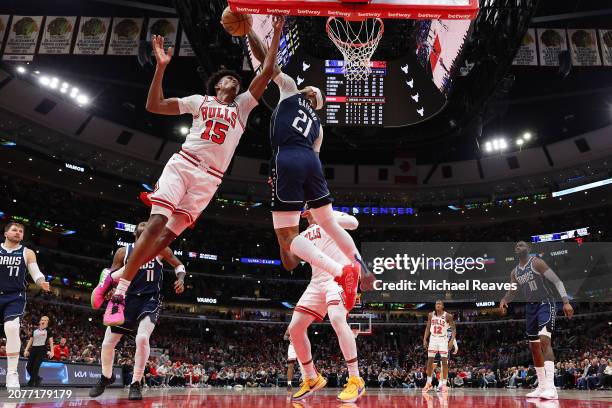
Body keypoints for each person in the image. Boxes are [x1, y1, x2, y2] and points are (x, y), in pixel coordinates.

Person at [96, 16, 285, 327]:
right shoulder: (199, 101)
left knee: (163, 241)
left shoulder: (242, 107)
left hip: (209, 180)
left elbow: (266, 71)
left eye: (236, 80)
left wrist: (273, 34)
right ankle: (120, 293)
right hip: (183, 164)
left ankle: (114, 276)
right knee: (155, 224)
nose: (233, 81)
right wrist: (161, 67)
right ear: (216, 84)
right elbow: (154, 106)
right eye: (227, 79)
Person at [246, 29, 376, 312]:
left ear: (306, 93)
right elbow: (311, 167)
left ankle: (341, 272)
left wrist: (249, 31)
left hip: (287, 157)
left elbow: (267, 63)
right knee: (327, 222)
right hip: (311, 162)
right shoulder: (318, 127)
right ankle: (360, 266)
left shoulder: (290, 89)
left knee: (286, 237)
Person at [89, 222, 186, 400]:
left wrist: (181, 278)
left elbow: (178, 265)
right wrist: (107, 288)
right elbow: (111, 274)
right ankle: (106, 377)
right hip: (127, 299)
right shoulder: (123, 252)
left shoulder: (160, 249)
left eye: (149, 234)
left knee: (142, 338)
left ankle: (136, 382)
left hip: (149, 299)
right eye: (142, 235)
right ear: (136, 235)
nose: (146, 237)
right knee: (107, 342)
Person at [287, 209, 366, 403]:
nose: (307, 212)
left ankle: (356, 378)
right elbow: (290, 259)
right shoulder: (303, 235)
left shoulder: (331, 219)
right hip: (317, 281)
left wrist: (328, 214)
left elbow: (354, 223)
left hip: (339, 276)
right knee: (295, 328)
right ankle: (311, 377)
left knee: (337, 318)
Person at [499, 241, 573, 400]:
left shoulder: (537, 262)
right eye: (517, 246)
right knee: (534, 347)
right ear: (515, 251)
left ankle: (551, 388)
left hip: (545, 303)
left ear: (529, 249)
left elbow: (557, 281)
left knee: (544, 340)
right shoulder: (515, 272)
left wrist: (566, 302)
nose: (519, 247)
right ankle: (541, 386)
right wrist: (505, 299)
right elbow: (512, 291)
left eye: (522, 245)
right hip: (530, 308)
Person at [1, 222, 50, 389]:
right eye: (14, 230)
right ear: (6, 233)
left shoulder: (27, 252)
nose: (18, 233)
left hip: (15, 296)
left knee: (12, 328)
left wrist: (41, 281)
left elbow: (35, 272)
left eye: (21, 231)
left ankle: (12, 374)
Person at [422, 300, 456, 393]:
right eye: (436, 304)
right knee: (430, 361)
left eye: (440, 304)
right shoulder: (430, 315)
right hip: (433, 338)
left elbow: (453, 329)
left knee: (444, 362)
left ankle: (444, 384)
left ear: (443, 306)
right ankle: (428, 383)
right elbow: (428, 327)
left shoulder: (448, 316)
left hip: (443, 339)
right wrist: (425, 339)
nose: (438, 305)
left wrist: (451, 340)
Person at [24, 315, 54, 387]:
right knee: (28, 367)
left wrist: (52, 351)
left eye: (45, 320)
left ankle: (31, 382)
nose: (43, 321)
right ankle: (37, 378)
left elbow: (51, 342)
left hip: (42, 350)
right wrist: (26, 350)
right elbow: (30, 341)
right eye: (42, 320)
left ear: (47, 322)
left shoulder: (48, 331)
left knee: (35, 367)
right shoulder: (35, 331)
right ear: (40, 321)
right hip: (33, 349)